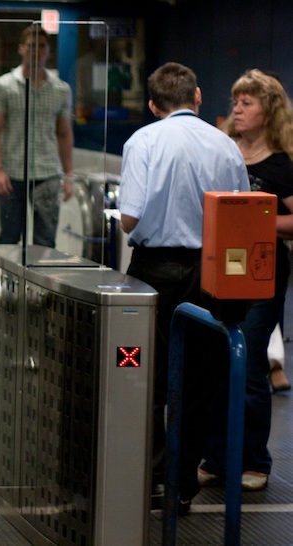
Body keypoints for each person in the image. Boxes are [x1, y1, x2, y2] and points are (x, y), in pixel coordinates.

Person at [118, 62, 249, 513]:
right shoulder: (226, 146)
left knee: (144, 374)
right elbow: (242, 214)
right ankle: (183, 484)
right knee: (200, 382)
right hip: (211, 274)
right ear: (197, 98)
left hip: (154, 272)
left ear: (154, 105)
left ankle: (153, 480)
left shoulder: (144, 141)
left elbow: (129, 218)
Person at [197, 69, 293, 492]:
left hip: (261, 272)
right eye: (236, 101)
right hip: (221, 271)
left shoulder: (281, 163)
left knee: (251, 360)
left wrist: (258, 224)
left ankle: (256, 460)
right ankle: (217, 457)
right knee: (218, 360)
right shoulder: (224, 151)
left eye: (247, 103)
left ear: (267, 111)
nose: (237, 109)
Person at [0, 26, 74, 248]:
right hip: (12, 171)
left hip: (47, 172)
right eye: (32, 46)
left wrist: (69, 175)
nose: (37, 51)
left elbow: (64, 133)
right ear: (21, 48)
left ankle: (38, 283)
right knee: (9, 237)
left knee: (45, 241)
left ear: (48, 50)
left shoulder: (61, 89)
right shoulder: (3, 86)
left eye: (42, 46)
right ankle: (4, 283)